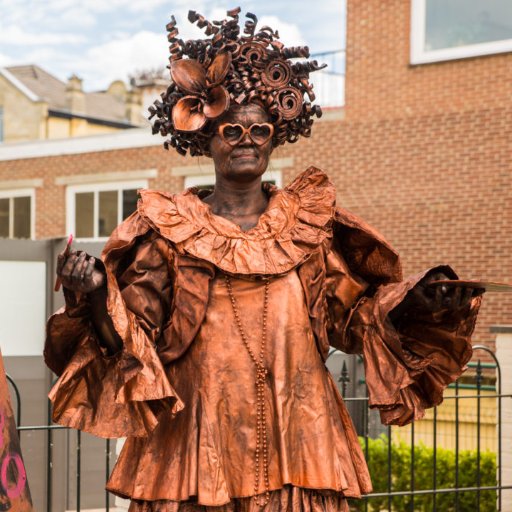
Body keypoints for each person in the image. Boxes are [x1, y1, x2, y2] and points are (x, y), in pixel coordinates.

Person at [44, 9, 483, 512]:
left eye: (260, 131)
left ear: (277, 135)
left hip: (300, 435)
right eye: (231, 131)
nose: (247, 142)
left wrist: (414, 302)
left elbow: (355, 316)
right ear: (205, 137)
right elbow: (133, 341)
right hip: (196, 441)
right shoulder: (168, 233)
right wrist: (98, 294)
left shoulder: (309, 230)